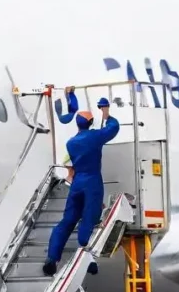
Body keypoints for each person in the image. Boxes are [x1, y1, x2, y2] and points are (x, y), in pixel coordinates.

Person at [42, 94, 120, 277]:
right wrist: (106, 112)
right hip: (91, 181)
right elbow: (113, 128)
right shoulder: (94, 137)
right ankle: (86, 257)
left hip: (77, 183)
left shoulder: (71, 143)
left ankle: (52, 258)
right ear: (91, 123)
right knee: (89, 219)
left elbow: (68, 164)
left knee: (67, 220)